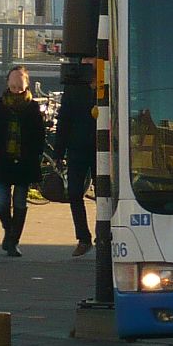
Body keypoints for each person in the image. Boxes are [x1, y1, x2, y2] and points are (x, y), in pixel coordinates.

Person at [0, 65, 46, 257]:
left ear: (26, 84)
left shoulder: (32, 107)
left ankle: (13, 241)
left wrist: (35, 155)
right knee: (2, 203)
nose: (17, 90)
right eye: (14, 86)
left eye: (20, 86)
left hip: (24, 162)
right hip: (3, 161)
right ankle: (9, 232)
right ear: (8, 84)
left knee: (20, 201)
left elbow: (39, 135)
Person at [55, 61, 96, 256]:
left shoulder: (110, 82)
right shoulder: (73, 87)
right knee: (74, 193)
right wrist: (59, 152)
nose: (87, 64)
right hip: (77, 148)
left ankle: (105, 234)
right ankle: (83, 237)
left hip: (101, 147)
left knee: (106, 195)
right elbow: (64, 119)